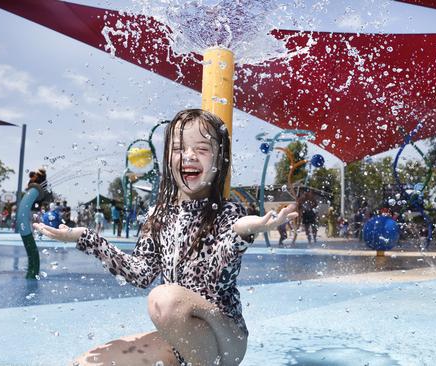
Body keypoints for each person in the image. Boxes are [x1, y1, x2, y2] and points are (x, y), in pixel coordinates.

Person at [34, 109, 297, 366]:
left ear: (219, 161)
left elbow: (218, 272)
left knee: (164, 298)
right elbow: (140, 274)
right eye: (179, 148)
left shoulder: (226, 212)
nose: (189, 156)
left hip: (224, 336)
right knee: (85, 363)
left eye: (202, 149)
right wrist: (85, 237)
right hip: (183, 338)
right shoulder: (157, 217)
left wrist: (243, 231)